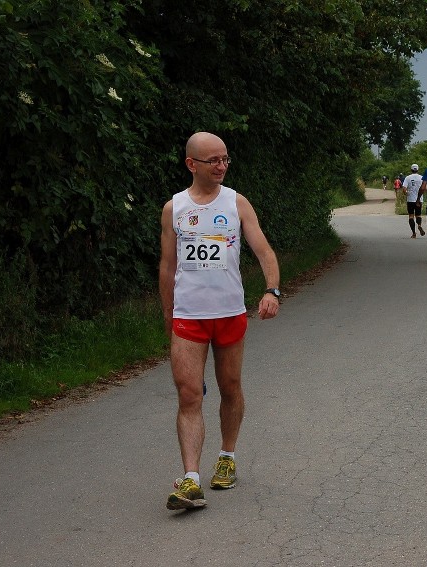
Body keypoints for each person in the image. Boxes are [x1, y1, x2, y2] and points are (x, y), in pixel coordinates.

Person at [159, 131, 282, 510]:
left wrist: (271, 290)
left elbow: (263, 250)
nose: (221, 166)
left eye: (226, 159)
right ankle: (190, 479)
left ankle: (227, 457)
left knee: (229, 388)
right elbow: (168, 266)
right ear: (191, 164)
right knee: (189, 394)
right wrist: (169, 317)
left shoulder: (236, 202)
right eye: (213, 160)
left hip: (229, 314)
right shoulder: (174, 208)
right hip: (188, 317)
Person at [402, 164, 425, 238]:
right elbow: (425, 188)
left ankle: (414, 233)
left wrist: (406, 193)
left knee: (411, 216)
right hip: (419, 199)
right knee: (418, 215)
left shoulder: (408, 178)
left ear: (411, 170)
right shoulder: (422, 177)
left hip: (410, 200)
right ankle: (419, 225)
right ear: (418, 170)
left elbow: (404, 189)